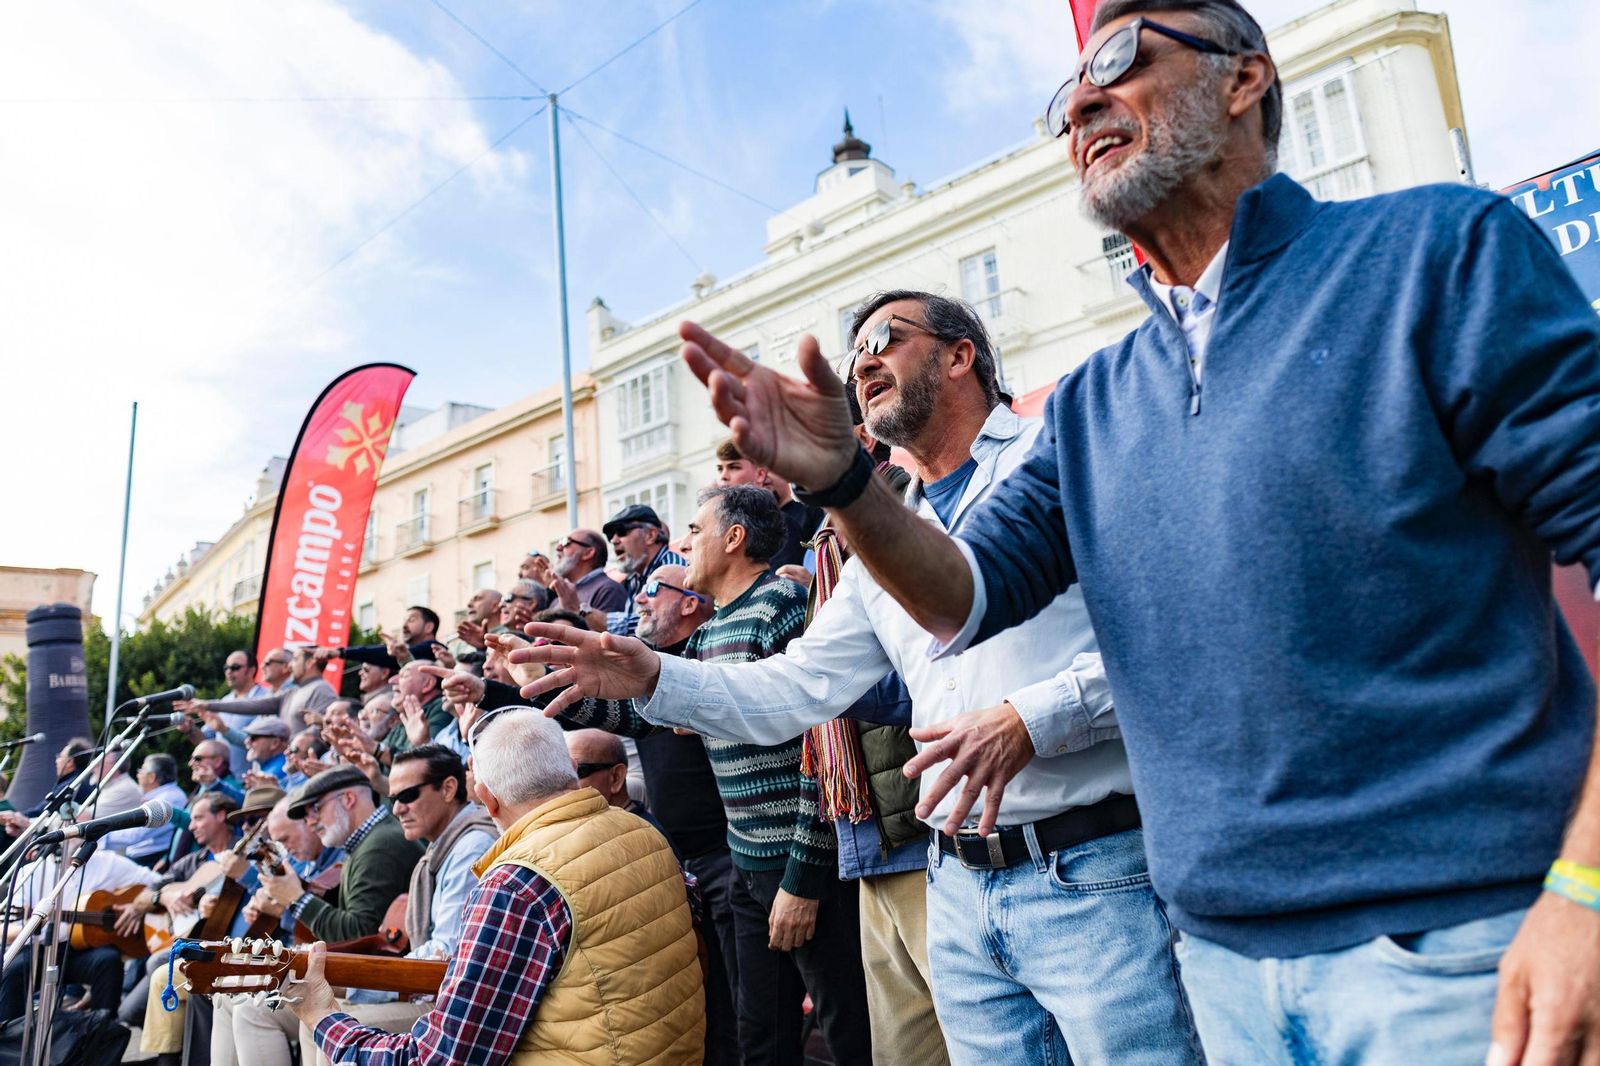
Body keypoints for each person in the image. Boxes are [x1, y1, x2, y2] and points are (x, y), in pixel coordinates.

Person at [662, 1, 1600, 1061]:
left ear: (1244, 78)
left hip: (1455, 953)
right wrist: (839, 479)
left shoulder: (1437, 249)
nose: (1083, 103)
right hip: (1224, 961)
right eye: (1065, 96)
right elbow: (960, 596)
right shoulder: (1102, 398)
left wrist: (1587, 891)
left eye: (1118, 58)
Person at [522, 295, 1193, 1065]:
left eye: (885, 338)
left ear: (960, 353)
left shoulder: (1059, 451)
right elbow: (793, 690)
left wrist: (1031, 718)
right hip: (959, 887)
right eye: (854, 356)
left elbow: (1172, 629)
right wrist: (652, 677)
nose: (864, 362)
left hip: (1096, 871)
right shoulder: (886, 531)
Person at [529, 486, 871, 1065]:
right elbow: (644, 714)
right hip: (748, 868)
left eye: (694, 529)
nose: (682, 542)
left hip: (804, 872)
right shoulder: (712, 633)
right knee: (759, 1034)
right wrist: (526, 687)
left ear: (734, 539)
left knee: (849, 1033)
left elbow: (827, 747)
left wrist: (803, 881)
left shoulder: (784, 607)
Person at [287, 708, 705, 1064]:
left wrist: (324, 1018)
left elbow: (441, 1059)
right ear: (566, 771)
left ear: (486, 800)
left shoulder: (517, 884)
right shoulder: (644, 831)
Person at [294, 745, 499, 1066]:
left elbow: (444, 956)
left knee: (327, 1023)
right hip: (431, 993)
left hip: (454, 1010)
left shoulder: (471, 847)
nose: (398, 809)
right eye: (394, 799)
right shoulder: (444, 846)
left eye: (408, 796)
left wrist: (355, 983)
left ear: (448, 789)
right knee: (319, 1021)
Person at [223, 767, 423, 1066]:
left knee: (253, 1008)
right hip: (373, 979)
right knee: (234, 996)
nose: (310, 820)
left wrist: (296, 899)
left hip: (388, 984)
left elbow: (360, 933)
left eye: (315, 808)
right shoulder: (369, 843)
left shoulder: (381, 844)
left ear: (350, 799)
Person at [0, 839, 159, 1022]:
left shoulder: (109, 863)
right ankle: (11, 1037)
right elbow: (7, 929)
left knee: (108, 960)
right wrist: (34, 922)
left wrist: (137, 907)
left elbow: (156, 882)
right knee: (14, 969)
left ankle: (101, 1033)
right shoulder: (30, 873)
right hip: (38, 949)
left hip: (83, 951)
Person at [714, 439, 823, 572]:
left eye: (734, 467)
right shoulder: (721, 521)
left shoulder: (782, 520)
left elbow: (780, 579)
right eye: (720, 469)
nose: (723, 476)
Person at [184, 644, 337, 736]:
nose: (290, 666)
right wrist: (208, 705)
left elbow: (326, 733)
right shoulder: (292, 692)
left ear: (310, 663)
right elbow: (252, 705)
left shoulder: (322, 690)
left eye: (295, 660)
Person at [600, 504, 687, 637]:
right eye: (611, 535)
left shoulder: (673, 568)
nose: (614, 540)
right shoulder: (634, 578)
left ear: (650, 535)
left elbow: (660, 618)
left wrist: (585, 612)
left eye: (622, 531)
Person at [105, 752, 188, 865]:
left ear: (151, 777)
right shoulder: (168, 795)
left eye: (141, 770)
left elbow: (136, 835)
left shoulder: (166, 800)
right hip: (142, 858)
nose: (138, 774)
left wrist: (99, 835)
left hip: (149, 861)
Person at [550, 528, 629, 618]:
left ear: (588, 553)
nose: (558, 548)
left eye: (566, 542)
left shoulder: (609, 590)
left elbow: (606, 630)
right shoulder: (562, 596)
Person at [241, 717, 293, 786]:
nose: (247, 741)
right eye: (247, 736)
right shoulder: (271, 766)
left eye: (253, 738)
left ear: (275, 743)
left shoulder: (278, 771)